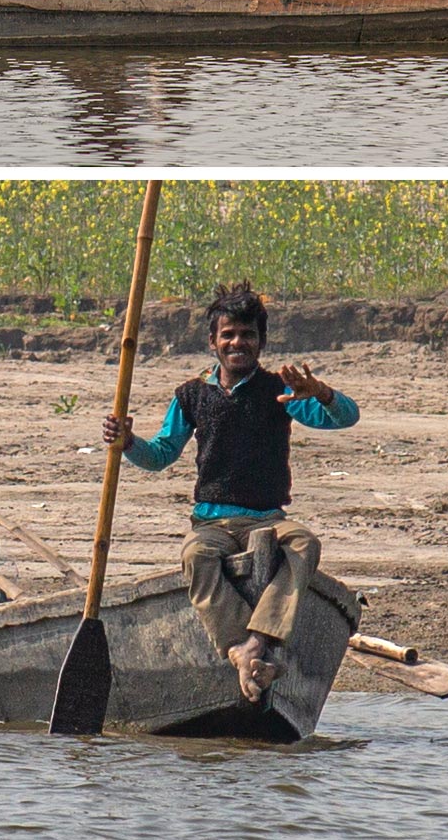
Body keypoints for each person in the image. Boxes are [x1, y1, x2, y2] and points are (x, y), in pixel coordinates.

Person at [102, 282, 358, 701]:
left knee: (304, 544)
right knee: (196, 556)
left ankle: (256, 640)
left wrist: (324, 394)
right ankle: (242, 647)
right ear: (213, 342)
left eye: (247, 335)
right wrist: (128, 443)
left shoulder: (281, 391)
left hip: (268, 519)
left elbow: (345, 418)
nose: (238, 343)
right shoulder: (192, 395)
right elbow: (161, 454)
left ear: (261, 342)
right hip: (212, 521)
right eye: (228, 335)